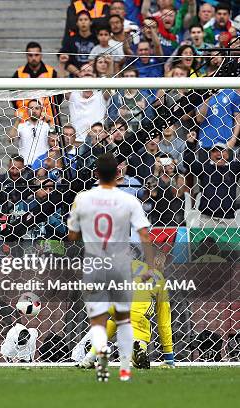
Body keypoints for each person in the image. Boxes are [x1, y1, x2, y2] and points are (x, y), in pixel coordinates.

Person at [67, 153, 154, 382]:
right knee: (122, 316)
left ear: (95, 174)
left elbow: (72, 235)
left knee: (100, 317)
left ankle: (92, 361)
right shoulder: (129, 200)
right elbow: (145, 235)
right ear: (118, 173)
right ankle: (125, 366)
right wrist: (150, 267)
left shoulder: (83, 198)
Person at [8, 99, 50, 167]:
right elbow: (10, 139)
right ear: (27, 110)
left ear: (41, 110)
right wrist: (18, 120)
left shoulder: (46, 126)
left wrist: (48, 120)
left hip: (42, 165)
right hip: (25, 165)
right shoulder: (21, 126)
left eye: (37, 108)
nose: (34, 111)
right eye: (31, 108)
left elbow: (56, 138)